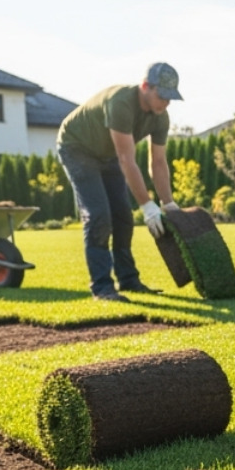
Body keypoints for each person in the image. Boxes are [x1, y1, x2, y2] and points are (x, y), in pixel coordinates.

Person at [56, 62, 183, 302]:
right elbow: (126, 159)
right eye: (162, 96)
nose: (166, 103)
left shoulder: (160, 118)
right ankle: (102, 287)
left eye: (170, 98)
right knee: (98, 215)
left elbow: (158, 162)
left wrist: (168, 204)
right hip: (77, 147)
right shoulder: (121, 102)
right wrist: (147, 207)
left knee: (123, 216)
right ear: (145, 86)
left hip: (108, 154)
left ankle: (128, 280)